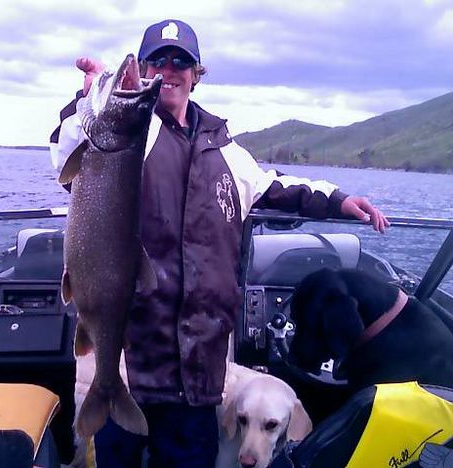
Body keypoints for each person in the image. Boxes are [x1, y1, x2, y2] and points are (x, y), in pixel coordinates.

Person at [50, 18, 389, 468]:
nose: (168, 70)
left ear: (196, 73)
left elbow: (275, 187)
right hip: (130, 364)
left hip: (198, 370)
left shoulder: (227, 150)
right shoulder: (130, 131)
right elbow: (67, 150)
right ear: (145, 70)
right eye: (157, 60)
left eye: (181, 62)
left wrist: (341, 202)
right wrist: (88, 97)